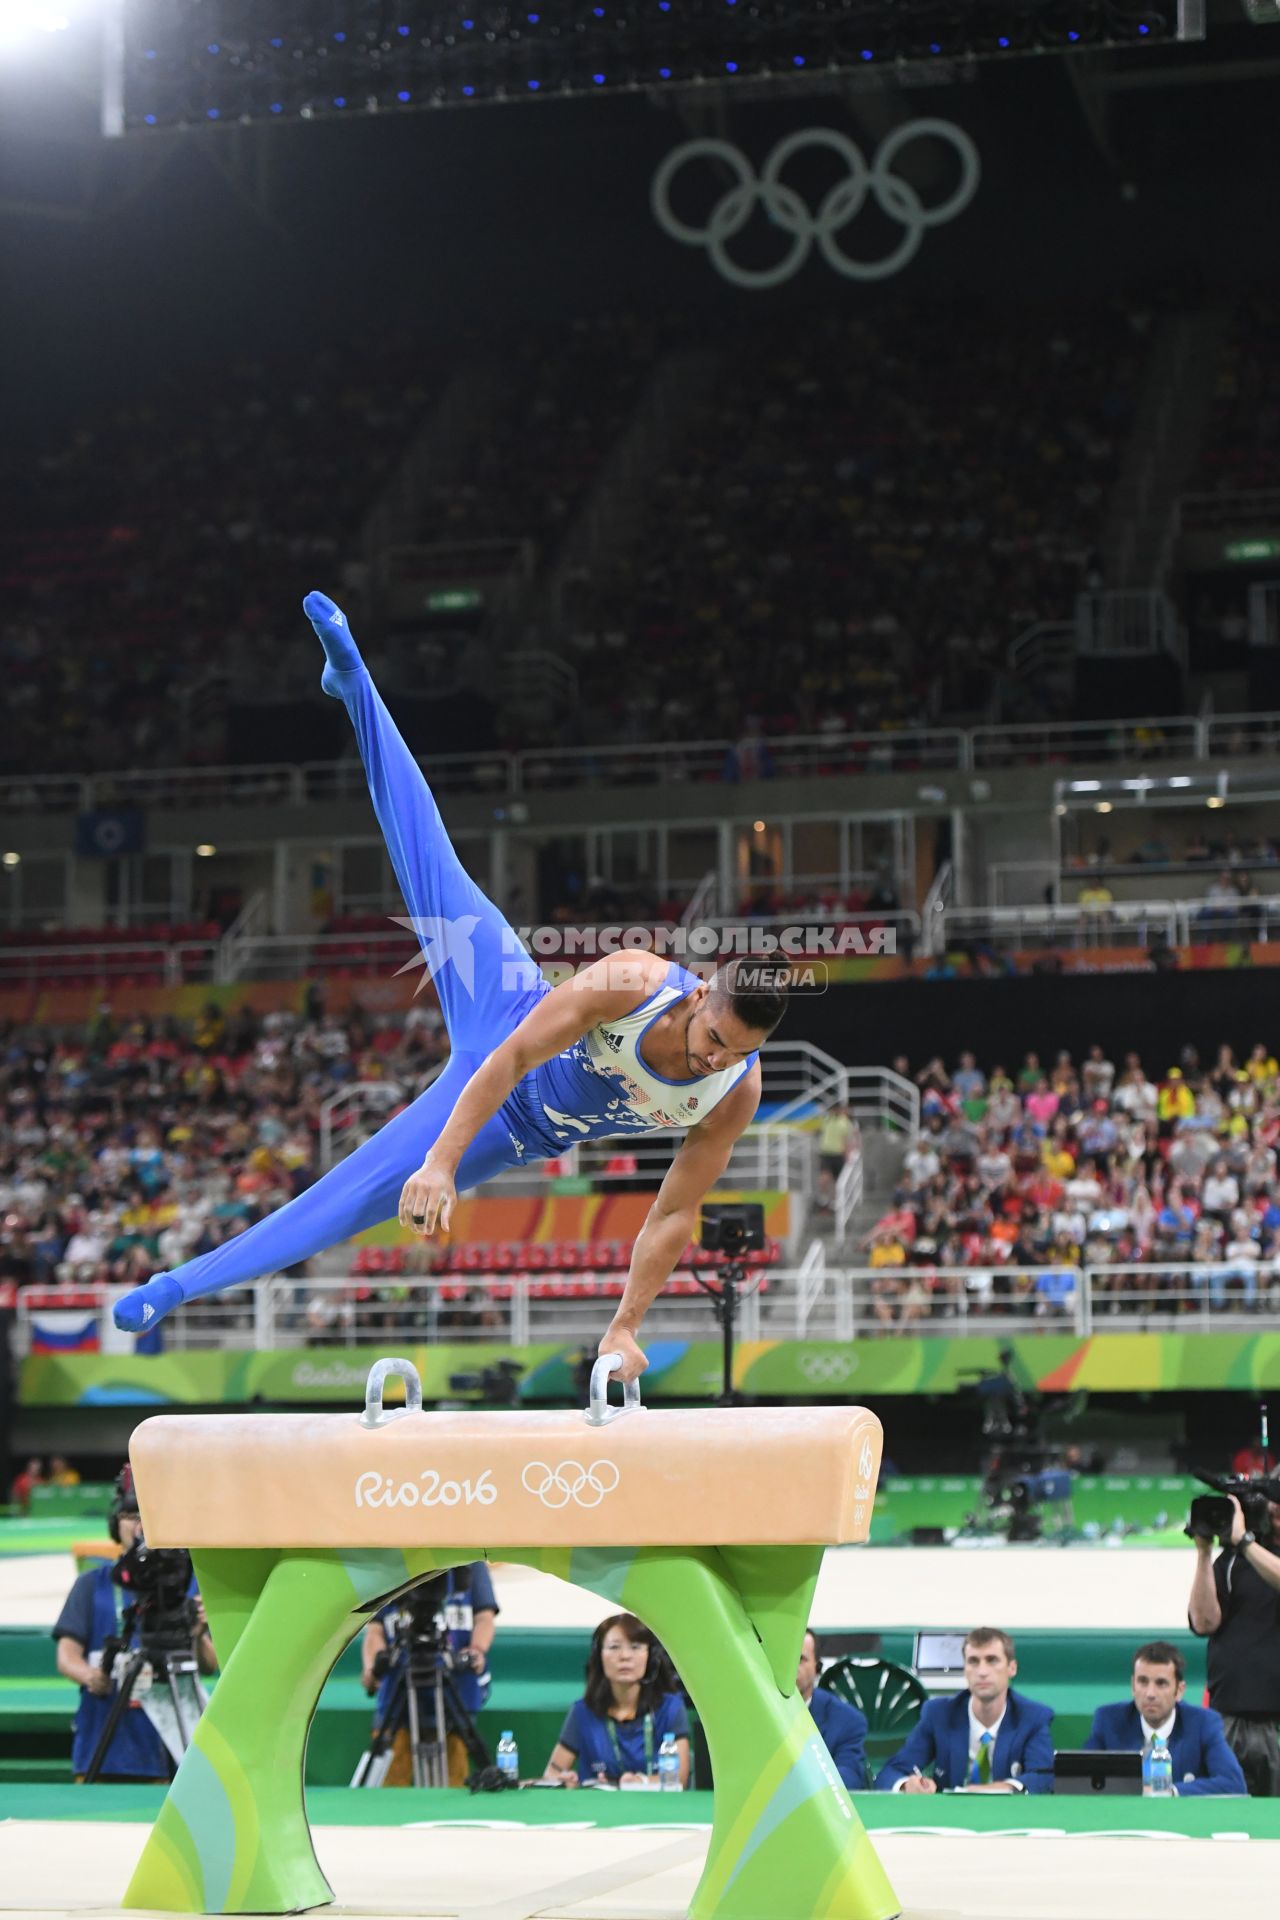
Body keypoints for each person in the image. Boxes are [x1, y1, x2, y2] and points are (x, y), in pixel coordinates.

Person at [115, 593, 788, 1383]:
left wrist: (623, 1326)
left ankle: (174, 1286)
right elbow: (501, 1061)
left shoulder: (733, 1092)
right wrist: (438, 1162)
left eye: (737, 1053)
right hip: (504, 1023)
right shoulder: (632, 981)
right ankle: (355, 681)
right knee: (428, 854)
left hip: (521, 1133)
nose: (715, 1060)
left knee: (343, 1205)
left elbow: (674, 1211)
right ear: (701, 993)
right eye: (715, 1039)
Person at [51, 1467, 217, 1782]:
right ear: (115, 1522)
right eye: (130, 1514)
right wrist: (90, 1675)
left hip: (168, 1735)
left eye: (146, 1515)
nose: (139, 1525)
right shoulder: (92, 1584)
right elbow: (66, 1655)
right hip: (105, 1729)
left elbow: (209, 1665)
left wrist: (196, 1635)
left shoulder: (186, 1583)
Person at [360, 1565, 498, 1786]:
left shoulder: (470, 1562)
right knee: (389, 1787)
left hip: (456, 1693)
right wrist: (373, 1666)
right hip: (397, 1693)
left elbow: (485, 1617)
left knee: (455, 1785)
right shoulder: (391, 1561)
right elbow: (375, 1630)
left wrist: (477, 1649)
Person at [875, 1627, 1054, 1793]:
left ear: (1012, 1668)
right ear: (965, 1669)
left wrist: (1000, 1788)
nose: (982, 1671)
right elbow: (891, 1772)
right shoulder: (939, 1714)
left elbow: (1044, 1777)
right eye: (973, 1662)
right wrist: (907, 1785)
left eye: (992, 1660)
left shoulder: (1033, 1717)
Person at [1188, 1486, 1280, 1794]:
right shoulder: (1230, 1562)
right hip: (1228, 1718)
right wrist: (1204, 1553)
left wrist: (1244, 1541)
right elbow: (1204, 1622)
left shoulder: (1246, 1549)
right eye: (1273, 1502)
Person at [543, 1612, 690, 1788]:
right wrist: (562, 1780)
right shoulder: (582, 1712)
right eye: (614, 1647)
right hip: (599, 1810)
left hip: (658, 1811)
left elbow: (679, 1779)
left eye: (635, 1647)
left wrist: (641, 1782)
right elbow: (552, 1773)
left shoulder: (670, 1708)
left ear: (650, 1657)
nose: (625, 1656)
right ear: (599, 1657)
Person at [1083, 1640, 1246, 1796]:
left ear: (1179, 1690)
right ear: (1133, 1686)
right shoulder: (1109, 1720)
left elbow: (1233, 1783)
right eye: (1142, 1682)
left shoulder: (1202, 1723)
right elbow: (1077, 1778)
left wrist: (1169, 1792)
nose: (1150, 1694)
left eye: (1161, 1684)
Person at [797, 1629, 867, 1790]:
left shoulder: (847, 1720)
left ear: (817, 1667)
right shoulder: (750, 1712)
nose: (790, 1666)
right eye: (783, 1658)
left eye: (801, 1659)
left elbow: (850, 1776)